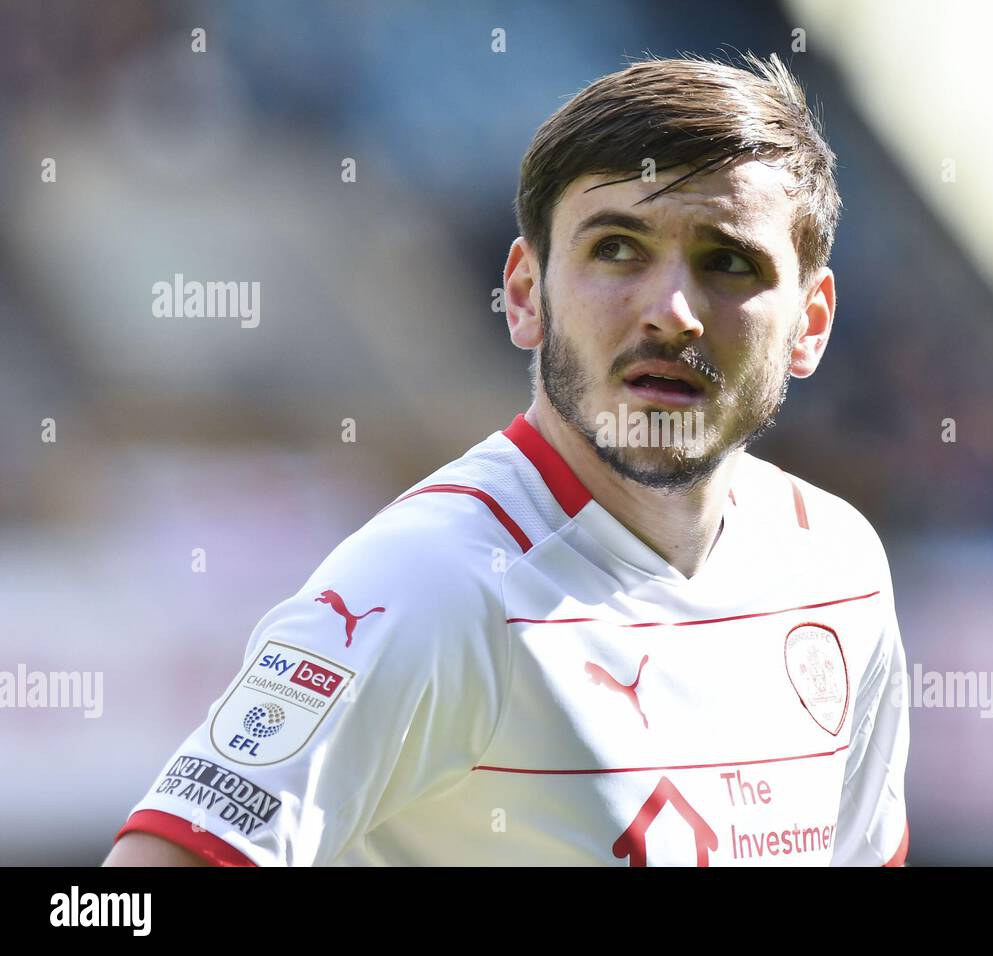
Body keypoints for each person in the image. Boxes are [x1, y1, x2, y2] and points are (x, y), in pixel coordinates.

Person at [104, 51, 910, 867]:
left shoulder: (837, 565)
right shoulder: (431, 583)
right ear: (527, 294)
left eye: (728, 262)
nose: (671, 314)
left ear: (810, 323)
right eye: (618, 249)